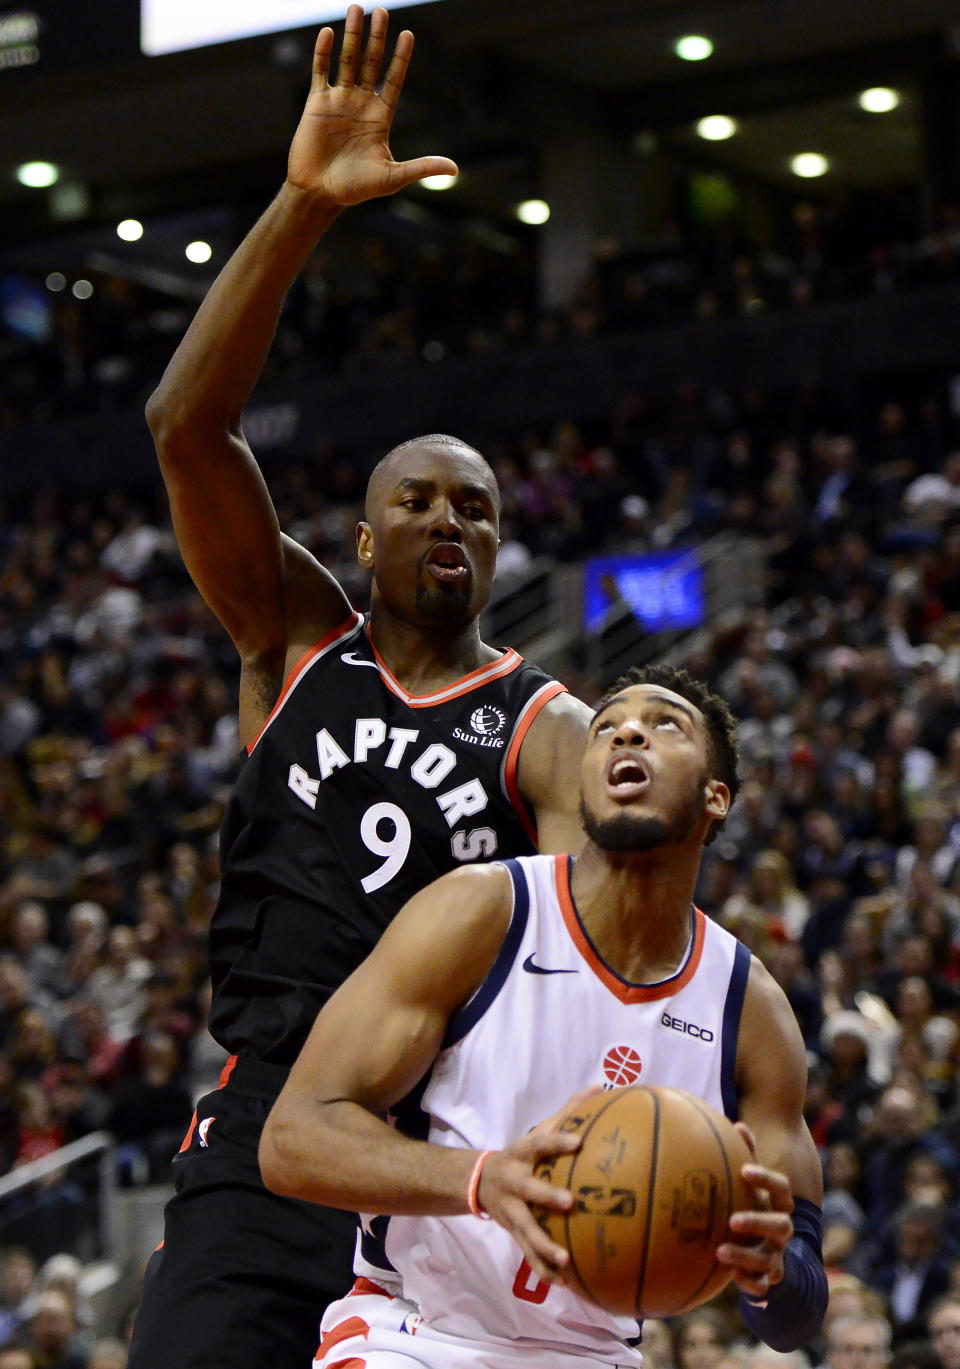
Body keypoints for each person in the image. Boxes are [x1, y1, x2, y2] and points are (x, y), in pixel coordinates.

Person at [127, 8, 592, 1369]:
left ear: (499, 547)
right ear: (365, 539)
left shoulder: (545, 729)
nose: (451, 520)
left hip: (430, 1146)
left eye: (478, 508)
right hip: (260, 1132)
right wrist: (301, 204)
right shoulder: (289, 641)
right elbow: (184, 428)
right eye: (419, 501)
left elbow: (570, 975)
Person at [261, 664, 828, 1367]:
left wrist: (770, 1272)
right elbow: (292, 1138)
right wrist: (481, 1178)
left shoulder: (753, 1011)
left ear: (716, 796)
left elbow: (797, 1316)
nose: (627, 730)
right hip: (420, 1334)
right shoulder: (482, 911)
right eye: (607, 726)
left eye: (664, 725)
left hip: (596, 1354)